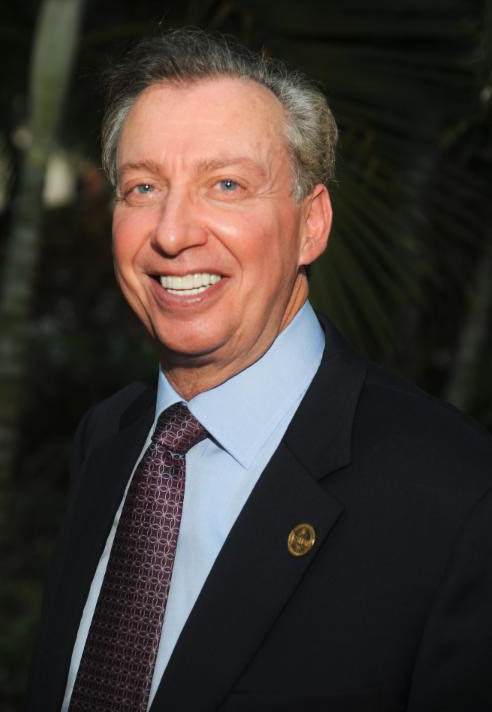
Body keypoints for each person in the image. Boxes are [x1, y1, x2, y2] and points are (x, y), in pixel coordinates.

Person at [26, 28, 492, 712]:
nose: (172, 232)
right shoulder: (108, 437)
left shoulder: (457, 497)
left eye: (226, 184)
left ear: (312, 224)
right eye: (143, 186)